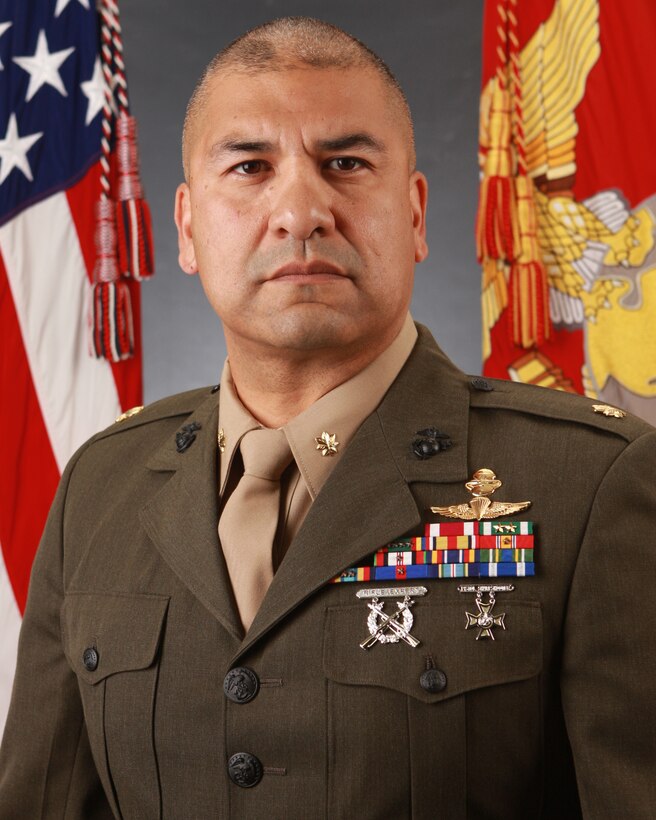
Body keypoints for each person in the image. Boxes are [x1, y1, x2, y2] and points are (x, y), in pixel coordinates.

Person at [1, 16, 655, 820]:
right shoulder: (99, 490)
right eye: (249, 166)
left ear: (415, 215)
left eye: (345, 163)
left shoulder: (592, 484)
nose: (300, 211)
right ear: (187, 229)